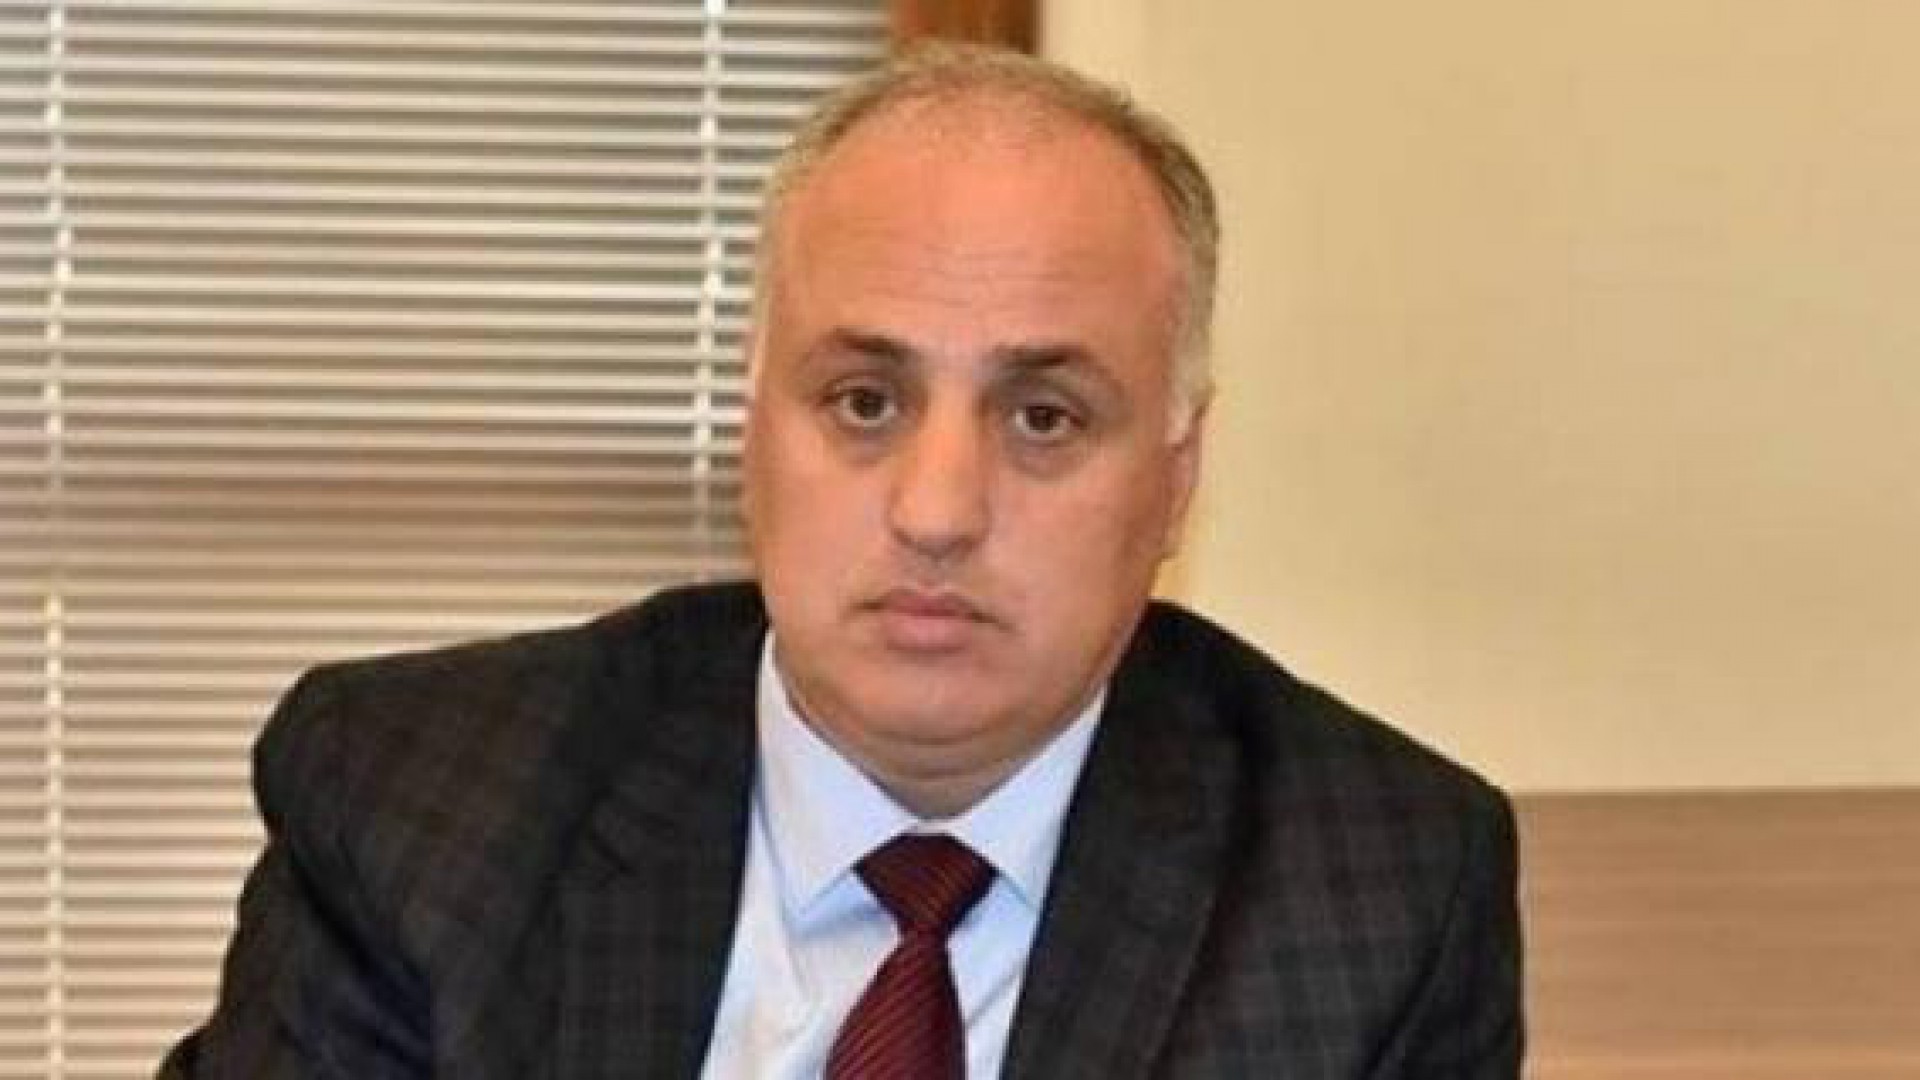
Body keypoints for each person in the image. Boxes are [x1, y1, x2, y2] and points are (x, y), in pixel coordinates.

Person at [162, 44, 1521, 1079]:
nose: (936, 510)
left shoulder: (1375, 891)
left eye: (1045, 418)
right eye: (865, 401)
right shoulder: (415, 810)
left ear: (1175, 479)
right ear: (753, 431)